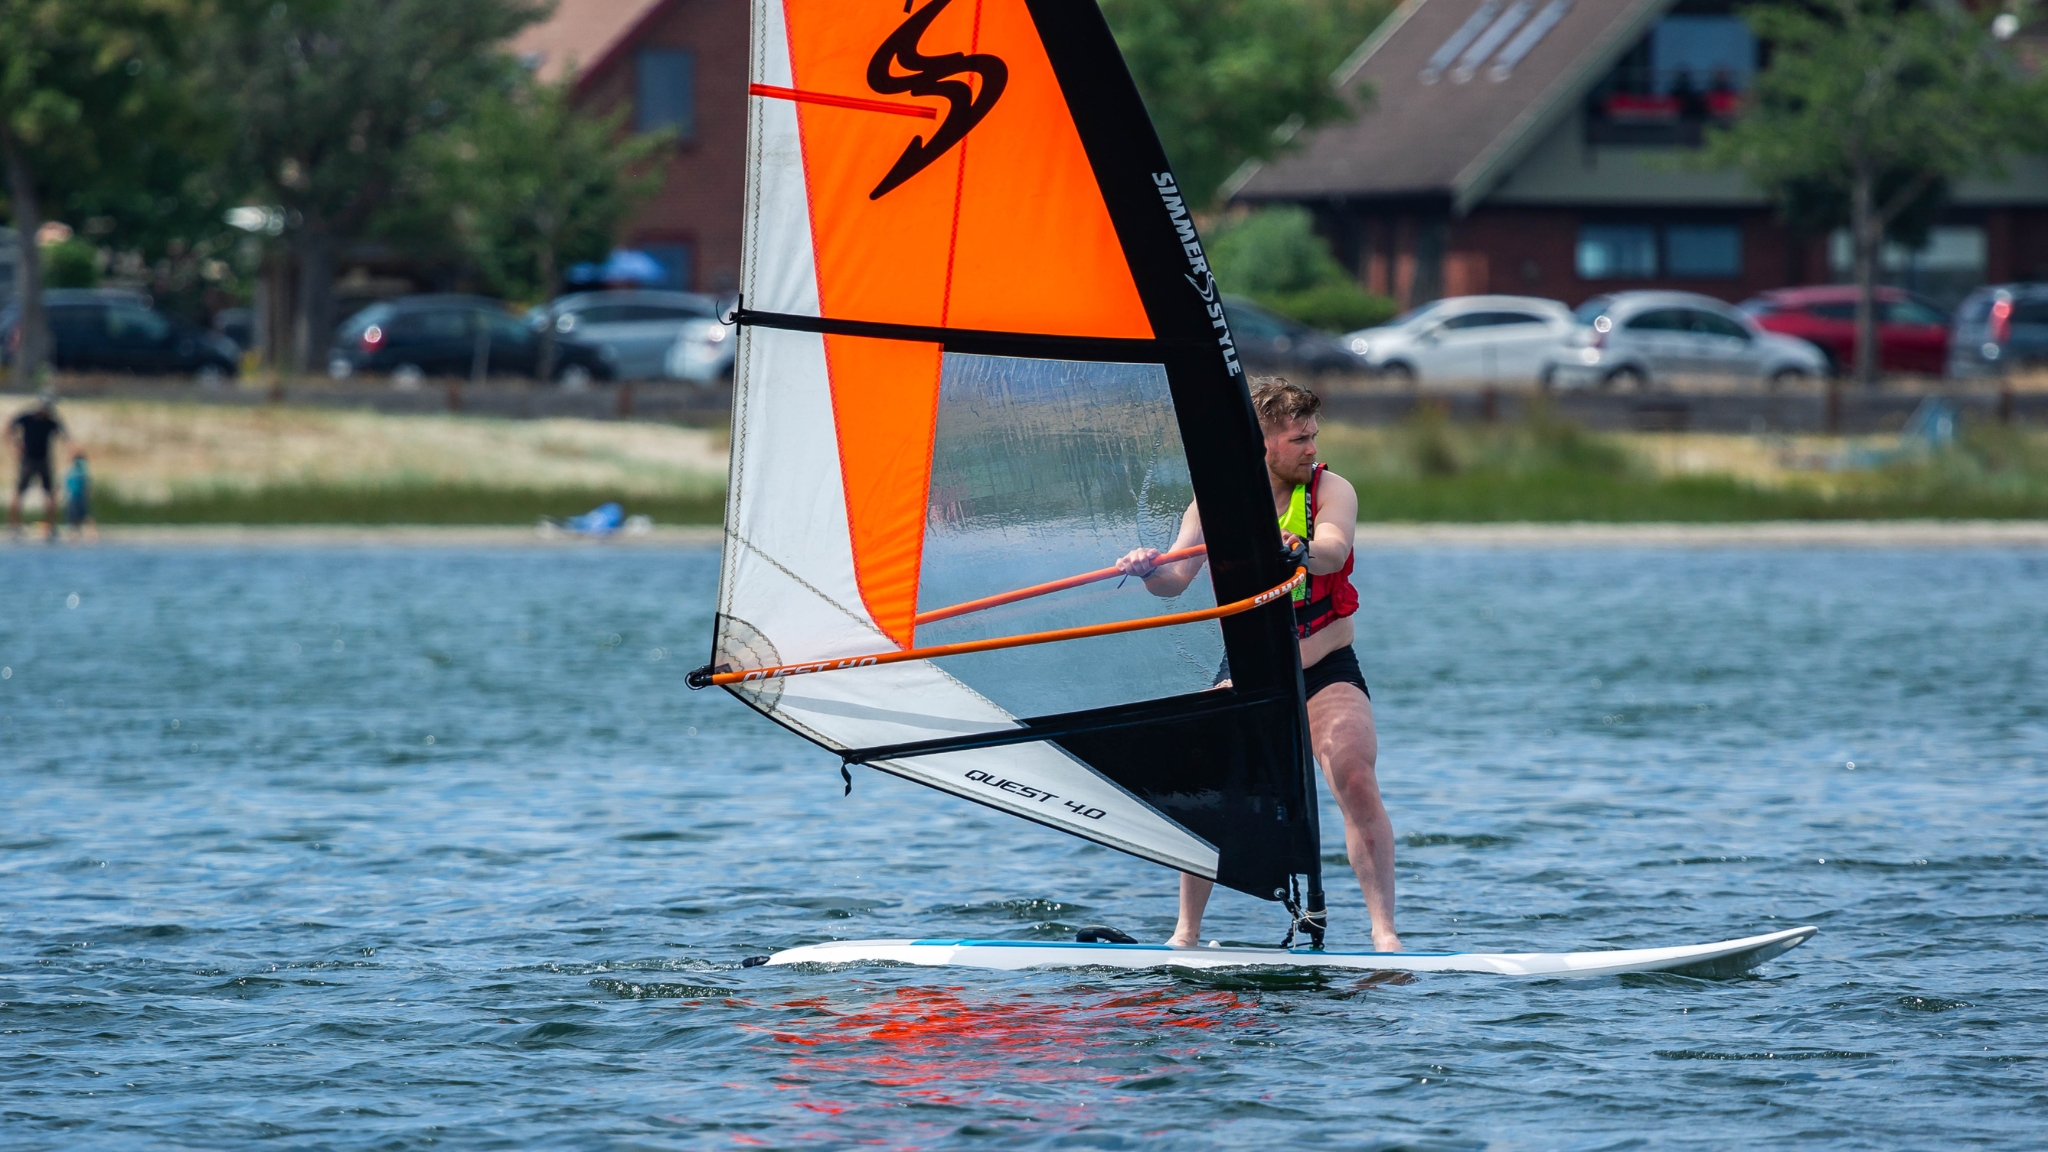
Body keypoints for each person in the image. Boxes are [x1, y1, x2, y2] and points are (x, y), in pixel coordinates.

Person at [1115, 378, 1401, 952]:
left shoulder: (1331, 490)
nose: (1312, 448)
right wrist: (1148, 568)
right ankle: (1186, 935)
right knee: (1208, 783)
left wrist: (1294, 548)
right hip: (1249, 665)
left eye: (1314, 435)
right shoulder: (1215, 503)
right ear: (1262, 442)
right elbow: (1174, 582)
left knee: (1353, 773)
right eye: (1299, 439)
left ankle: (1385, 935)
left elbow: (1334, 550)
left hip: (1325, 660)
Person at [9, 393, 67, 540]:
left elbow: (65, 436)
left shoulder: (51, 421)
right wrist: (16, 445)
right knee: (19, 492)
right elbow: (9, 428)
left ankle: (50, 527)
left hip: (43, 460)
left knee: (49, 494)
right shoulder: (27, 418)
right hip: (28, 460)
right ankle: (14, 527)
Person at [64, 450, 97, 542]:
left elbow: (86, 485)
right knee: (77, 516)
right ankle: (77, 533)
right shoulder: (75, 471)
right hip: (75, 497)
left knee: (82, 515)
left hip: (78, 497)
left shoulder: (78, 470)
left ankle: (85, 532)